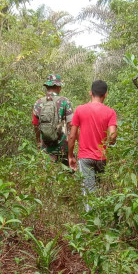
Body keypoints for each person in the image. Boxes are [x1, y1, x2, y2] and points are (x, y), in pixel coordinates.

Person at [67, 80, 117, 210]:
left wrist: (70, 155)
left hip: (85, 158)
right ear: (105, 95)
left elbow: (72, 136)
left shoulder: (80, 110)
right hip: (102, 158)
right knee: (101, 191)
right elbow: (112, 137)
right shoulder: (110, 112)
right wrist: (108, 142)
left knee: (89, 191)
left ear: (90, 93)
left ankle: (92, 225)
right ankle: (101, 220)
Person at [32, 74, 74, 166]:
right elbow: (71, 124)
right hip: (63, 147)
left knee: (47, 176)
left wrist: (39, 142)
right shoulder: (65, 101)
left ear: (47, 87)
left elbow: (35, 125)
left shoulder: (38, 103)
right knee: (65, 176)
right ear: (59, 87)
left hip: (46, 148)